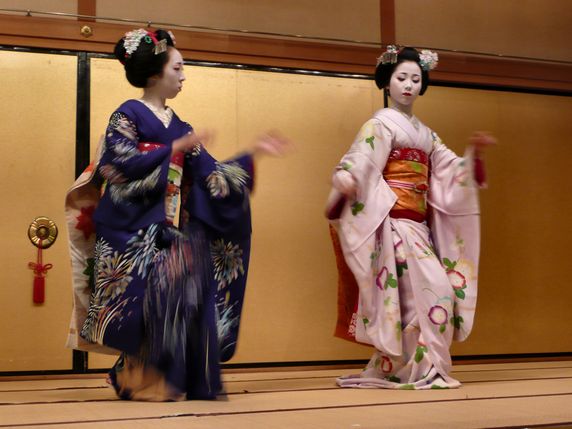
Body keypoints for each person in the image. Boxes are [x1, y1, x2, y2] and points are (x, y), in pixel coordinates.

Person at [65, 28, 288, 401]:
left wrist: (253, 155)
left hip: (171, 228)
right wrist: (171, 151)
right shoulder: (127, 114)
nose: (184, 76)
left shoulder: (181, 126)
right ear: (155, 73)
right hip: (132, 228)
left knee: (185, 294)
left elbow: (211, 176)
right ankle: (135, 376)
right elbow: (117, 164)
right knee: (144, 301)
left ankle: (163, 378)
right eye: (178, 68)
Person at [326, 45, 495, 389]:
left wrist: (472, 156)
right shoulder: (379, 125)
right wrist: (347, 180)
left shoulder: (427, 134)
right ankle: (407, 365)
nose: (408, 85)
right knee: (420, 297)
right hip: (393, 225)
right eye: (401, 77)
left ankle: (410, 365)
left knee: (428, 295)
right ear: (387, 82)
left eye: (416, 79)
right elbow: (361, 161)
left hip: (419, 228)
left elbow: (450, 169)